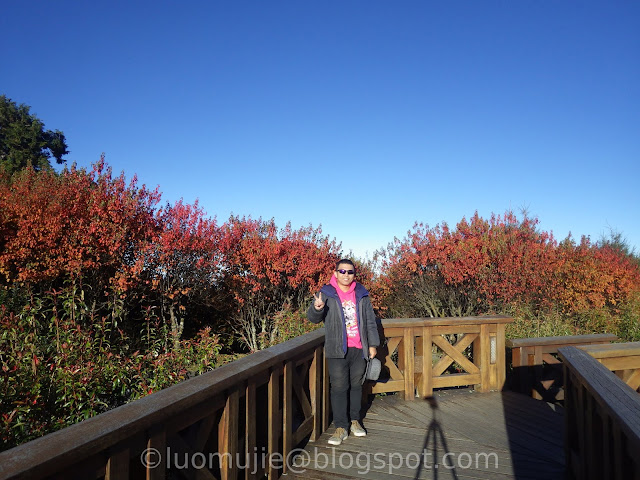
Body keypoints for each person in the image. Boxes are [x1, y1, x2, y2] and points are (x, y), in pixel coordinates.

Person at [307, 259, 380, 445]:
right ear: (335, 273)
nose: (346, 275)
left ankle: (355, 421)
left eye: (350, 272)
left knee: (356, 386)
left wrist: (373, 345)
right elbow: (313, 319)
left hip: (359, 348)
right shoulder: (326, 293)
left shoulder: (362, 294)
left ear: (354, 274)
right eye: (342, 271)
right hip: (337, 349)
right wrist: (317, 309)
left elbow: (370, 321)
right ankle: (341, 427)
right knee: (339, 388)